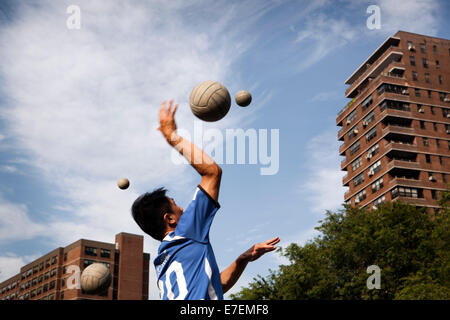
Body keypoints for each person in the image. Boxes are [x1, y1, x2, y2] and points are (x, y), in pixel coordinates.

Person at [131, 99, 280, 300]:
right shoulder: (185, 234)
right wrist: (172, 136)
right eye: (177, 207)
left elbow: (216, 286)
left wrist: (242, 260)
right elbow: (212, 173)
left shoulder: (162, 258)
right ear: (170, 219)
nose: (183, 209)